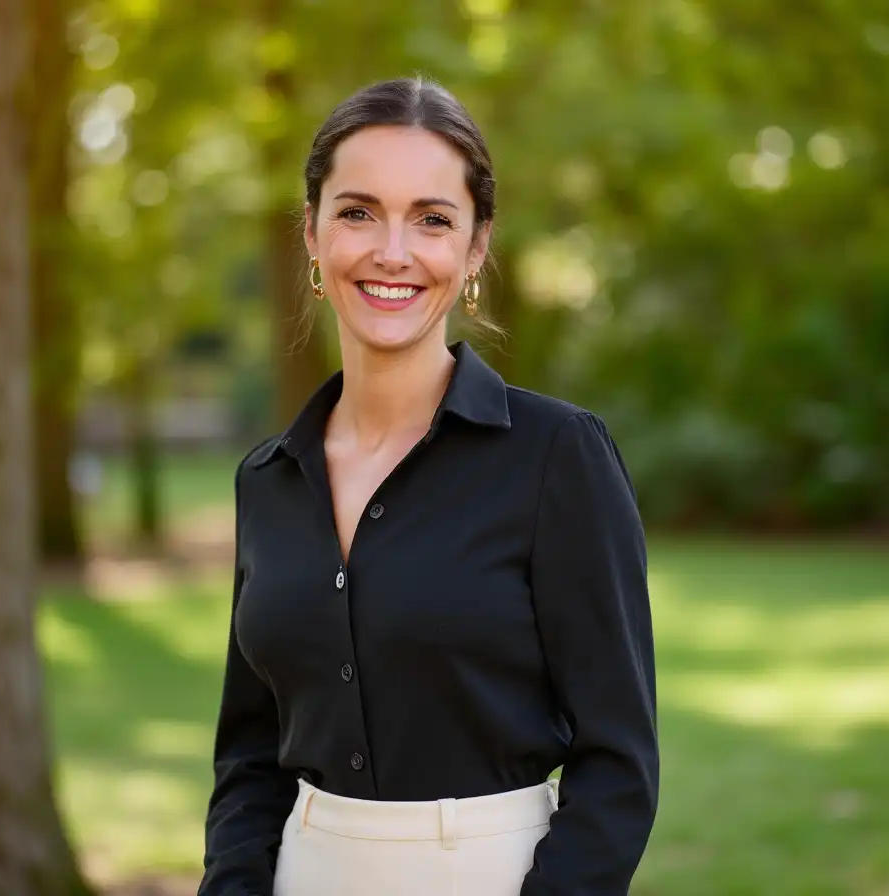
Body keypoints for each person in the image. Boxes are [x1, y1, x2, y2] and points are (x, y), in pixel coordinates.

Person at [197, 76, 658, 896]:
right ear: (311, 232)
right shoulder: (266, 480)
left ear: (476, 249)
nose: (392, 251)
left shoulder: (559, 458)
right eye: (357, 211)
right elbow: (248, 756)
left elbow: (618, 763)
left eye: (433, 219)